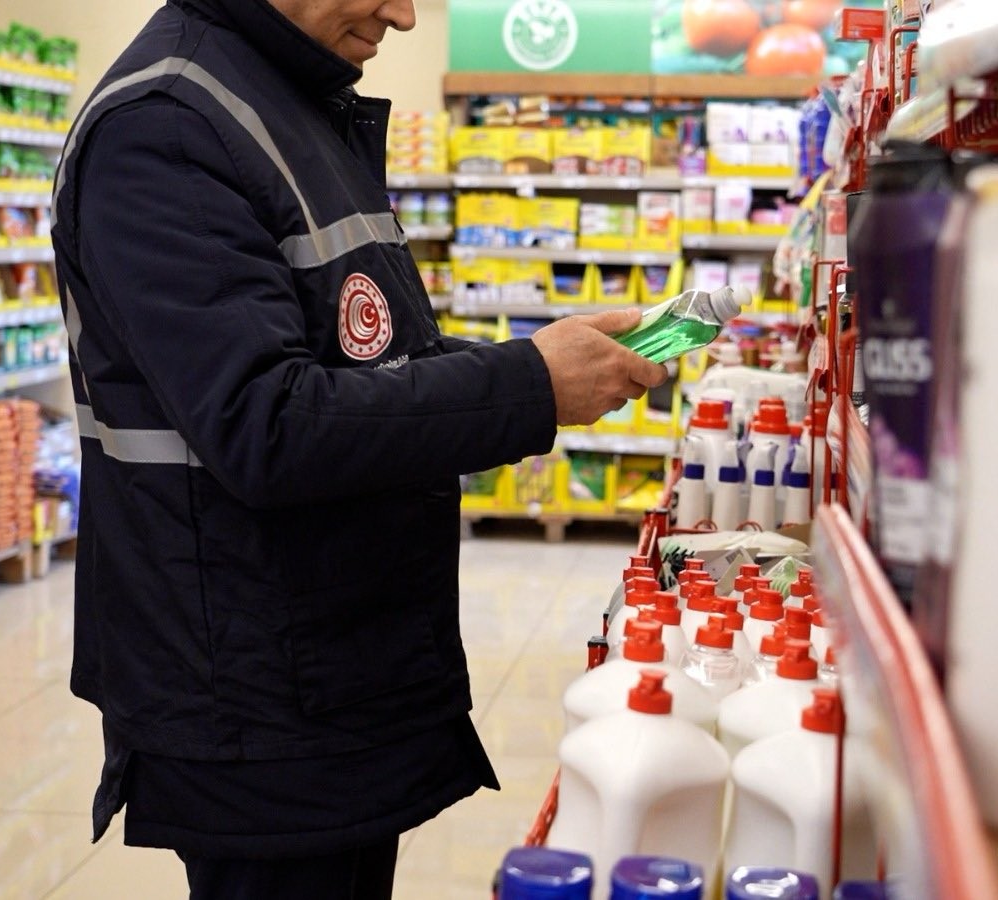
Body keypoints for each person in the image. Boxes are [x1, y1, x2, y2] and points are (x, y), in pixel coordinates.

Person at [50, 0, 667, 897]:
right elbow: (265, 424)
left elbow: (364, 363)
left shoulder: (286, 105)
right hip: (249, 689)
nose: (406, 15)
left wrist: (539, 363)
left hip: (319, 665)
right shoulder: (168, 127)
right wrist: (528, 386)